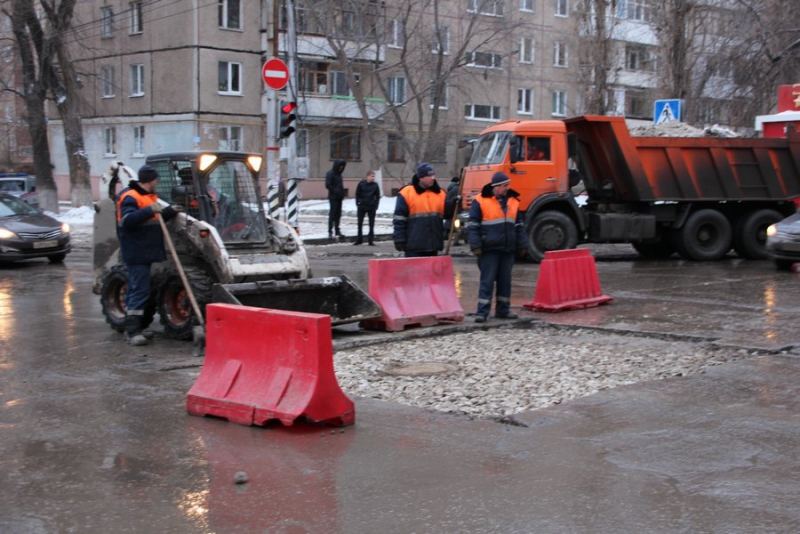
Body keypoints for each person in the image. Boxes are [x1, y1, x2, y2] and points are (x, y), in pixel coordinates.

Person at [116, 164, 180, 345]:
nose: (157, 183)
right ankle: (132, 332)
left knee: (141, 289)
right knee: (138, 290)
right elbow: (128, 221)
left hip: (144, 250)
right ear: (150, 181)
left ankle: (139, 328)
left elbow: (152, 220)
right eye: (156, 180)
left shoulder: (146, 197)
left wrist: (169, 212)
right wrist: (149, 210)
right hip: (136, 251)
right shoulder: (130, 197)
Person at [466, 171, 527, 323]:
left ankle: (503, 310)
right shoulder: (480, 201)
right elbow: (473, 226)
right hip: (489, 249)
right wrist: (476, 245)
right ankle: (482, 312)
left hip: (507, 248)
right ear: (496, 186)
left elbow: (519, 225)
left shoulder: (513, 201)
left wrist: (522, 243)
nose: (507, 188)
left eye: (508, 185)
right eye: (505, 185)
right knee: (487, 280)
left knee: (505, 281)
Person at [393, 163, 452, 257]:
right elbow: (399, 219)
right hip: (414, 247)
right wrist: (399, 238)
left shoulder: (440, 194)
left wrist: (454, 204)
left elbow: (447, 214)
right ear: (420, 177)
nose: (432, 178)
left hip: (433, 246)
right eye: (429, 175)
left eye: (433, 175)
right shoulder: (406, 193)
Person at [354, 170, 381, 246]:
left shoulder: (375, 185)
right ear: (367, 176)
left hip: (371, 206)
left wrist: (376, 205)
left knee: (371, 224)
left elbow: (377, 196)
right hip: (362, 205)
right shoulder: (361, 184)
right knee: (360, 223)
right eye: (372, 176)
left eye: (374, 176)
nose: (373, 178)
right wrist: (358, 203)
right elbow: (357, 194)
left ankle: (370, 240)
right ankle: (359, 239)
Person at [325, 159, 347, 238]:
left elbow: (340, 185)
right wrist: (335, 191)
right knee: (332, 214)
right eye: (340, 166)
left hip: (339, 197)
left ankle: (337, 230)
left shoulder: (339, 175)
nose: (341, 168)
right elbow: (328, 185)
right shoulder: (330, 173)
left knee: (338, 214)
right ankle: (330, 231)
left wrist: (342, 192)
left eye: (342, 167)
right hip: (333, 197)